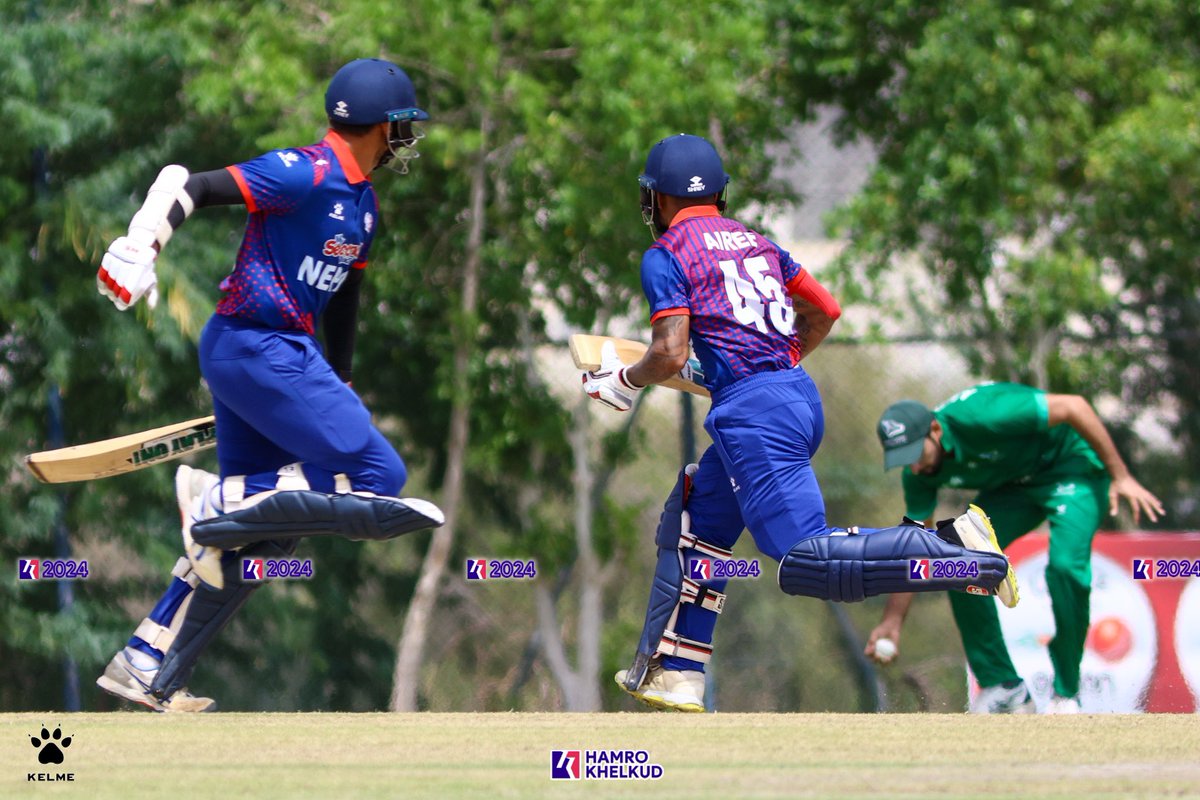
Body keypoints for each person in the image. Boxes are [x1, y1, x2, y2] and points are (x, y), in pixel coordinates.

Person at [583, 134, 1020, 713]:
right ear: (720, 192)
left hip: (753, 416)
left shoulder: (665, 254)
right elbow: (826, 309)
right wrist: (765, 368)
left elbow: (667, 351)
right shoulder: (757, 242)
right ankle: (674, 671)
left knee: (805, 561)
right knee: (697, 515)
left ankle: (950, 542)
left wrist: (624, 381)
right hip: (791, 394)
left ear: (657, 198)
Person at [93, 58, 443, 712]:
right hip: (254, 347)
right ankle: (213, 496)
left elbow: (345, 299)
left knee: (264, 538)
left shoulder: (363, 205)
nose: (406, 138)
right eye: (403, 125)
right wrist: (143, 244)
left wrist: (341, 383)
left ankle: (146, 662)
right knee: (379, 472)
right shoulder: (301, 172)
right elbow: (187, 184)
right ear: (379, 124)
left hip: (284, 359)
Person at [867, 385, 1164, 713]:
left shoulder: (982, 416)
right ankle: (1003, 687)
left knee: (1065, 568)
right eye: (902, 460)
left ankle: (1066, 694)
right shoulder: (919, 474)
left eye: (915, 455)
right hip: (1014, 487)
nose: (914, 468)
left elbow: (1074, 406)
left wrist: (1120, 476)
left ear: (935, 431)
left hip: (1070, 468)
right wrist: (893, 620)